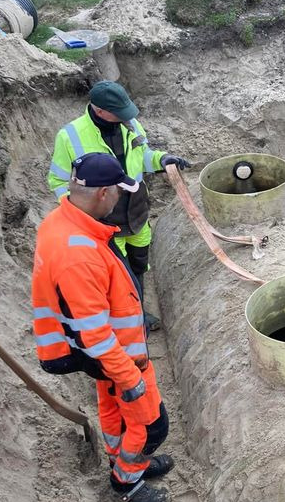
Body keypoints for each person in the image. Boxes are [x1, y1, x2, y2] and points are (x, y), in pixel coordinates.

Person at [33, 152, 173, 502]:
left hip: (100, 355)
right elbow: (94, 333)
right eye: (118, 192)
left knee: (114, 409)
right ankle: (126, 481)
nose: (120, 198)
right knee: (151, 425)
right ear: (101, 194)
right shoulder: (78, 254)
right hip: (118, 356)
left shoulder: (62, 221)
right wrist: (128, 375)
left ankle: (128, 462)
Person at [48, 80, 190, 330]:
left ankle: (138, 313)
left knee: (138, 266)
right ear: (100, 111)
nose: (127, 118)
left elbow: (142, 157)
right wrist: (77, 210)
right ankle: (128, 324)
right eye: (120, 113)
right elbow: (58, 180)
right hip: (104, 221)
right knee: (119, 276)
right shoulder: (70, 136)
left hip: (136, 213)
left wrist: (162, 159)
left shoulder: (130, 124)